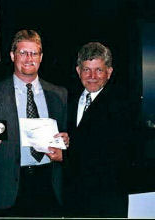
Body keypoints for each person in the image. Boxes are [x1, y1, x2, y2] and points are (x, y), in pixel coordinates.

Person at [0, 29, 69, 217]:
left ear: (41, 57)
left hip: (48, 185)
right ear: (12, 56)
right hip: (7, 189)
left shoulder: (59, 94)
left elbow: (67, 137)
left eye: (34, 53)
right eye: (23, 52)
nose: (29, 58)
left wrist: (66, 142)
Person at [64, 42, 132, 217]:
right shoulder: (68, 99)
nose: (92, 76)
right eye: (87, 69)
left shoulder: (121, 106)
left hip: (106, 201)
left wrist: (66, 153)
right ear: (78, 71)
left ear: (109, 72)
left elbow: (112, 155)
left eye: (99, 70)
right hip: (73, 199)